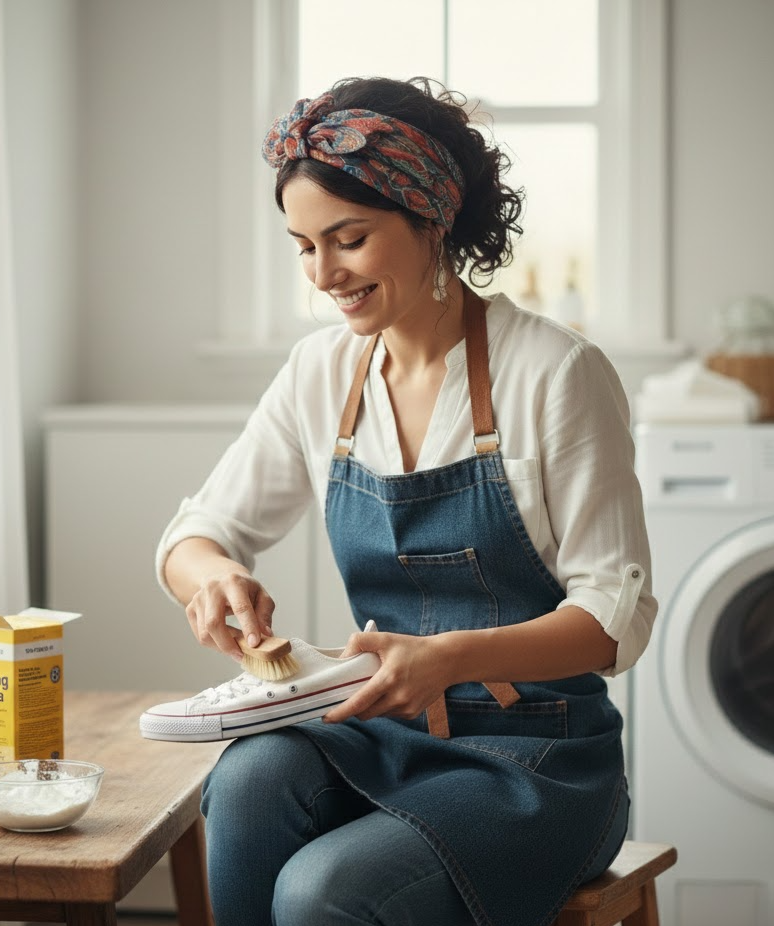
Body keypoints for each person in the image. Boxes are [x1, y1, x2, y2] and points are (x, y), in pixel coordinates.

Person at [155, 76, 657, 926]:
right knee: (243, 782)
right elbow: (199, 531)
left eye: (347, 238)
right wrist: (210, 581)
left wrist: (449, 657)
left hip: (538, 758)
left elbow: (616, 620)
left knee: (321, 894)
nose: (324, 274)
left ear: (432, 219)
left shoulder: (557, 373)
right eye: (303, 246)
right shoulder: (320, 373)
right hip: (378, 732)